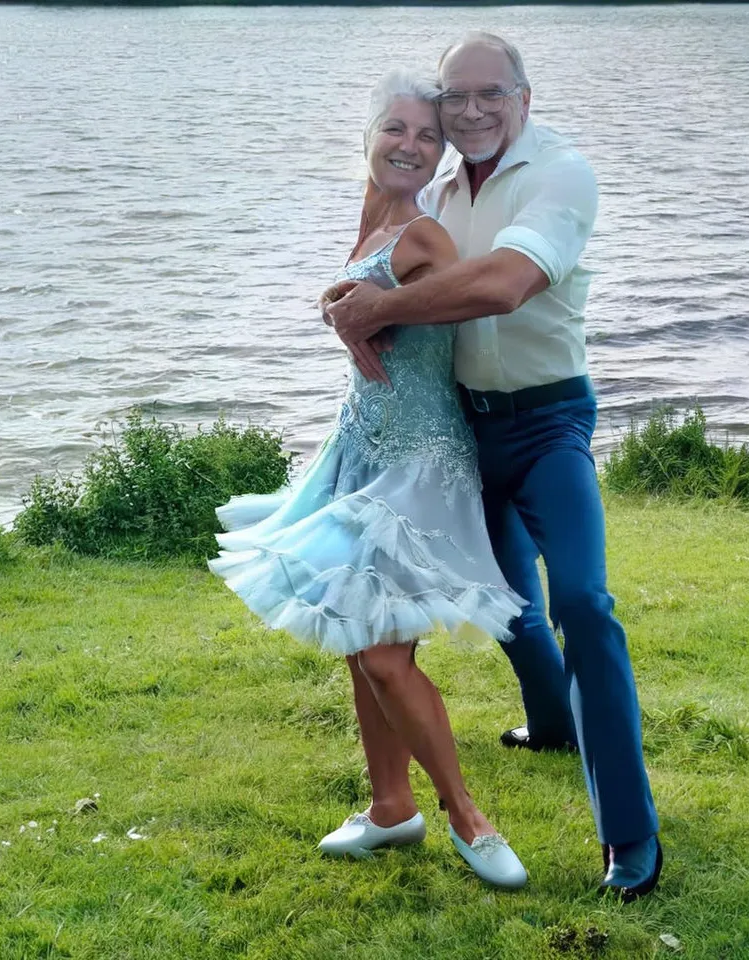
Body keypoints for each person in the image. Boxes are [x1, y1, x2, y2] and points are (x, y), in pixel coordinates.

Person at [324, 33, 662, 901]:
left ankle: (630, 837)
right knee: (508, 608)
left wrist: (377, 307)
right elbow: (389, 251)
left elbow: (506, 282)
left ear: (524, 97)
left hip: (547, 422)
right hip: (458, 430)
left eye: (490, 96)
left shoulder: (561, 174)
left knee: (580, 601)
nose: (471, 113)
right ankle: (549, 724)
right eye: (456, 98)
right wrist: (347, 303)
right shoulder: (437, 184)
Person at [209, 68, 527, 890]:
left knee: (386, 657)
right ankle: (392, 807)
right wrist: (343, 300)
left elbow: (469, 308)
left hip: (419, 463)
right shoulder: (371, 228)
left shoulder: (423, 237)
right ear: (369, 136)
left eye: (429, 137)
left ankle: (467, 816)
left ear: (439, 158)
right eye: (398, 129)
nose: (412, 147)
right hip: (358, 449)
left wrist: (371, 310)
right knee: (357, 639)